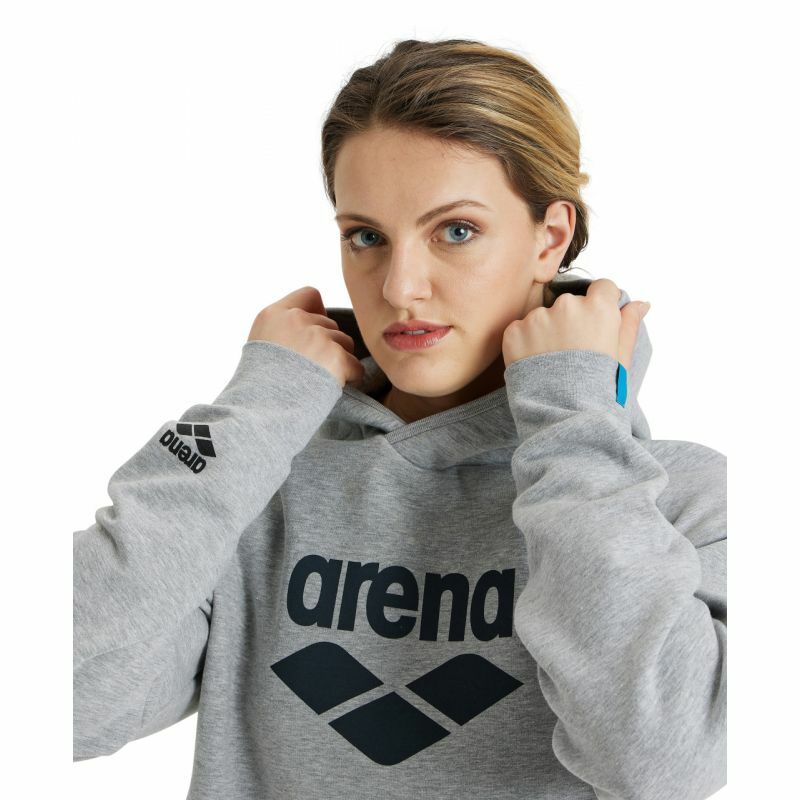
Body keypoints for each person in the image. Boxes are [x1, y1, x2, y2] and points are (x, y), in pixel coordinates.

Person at [73, 38, 726, 800]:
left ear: (550, 238)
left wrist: (575, 423)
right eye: (367, 237)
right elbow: (66, 700)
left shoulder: (677, 500)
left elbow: (665, 765)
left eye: (456, 231)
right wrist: (254, 411)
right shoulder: (258, 477)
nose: (399, 286)